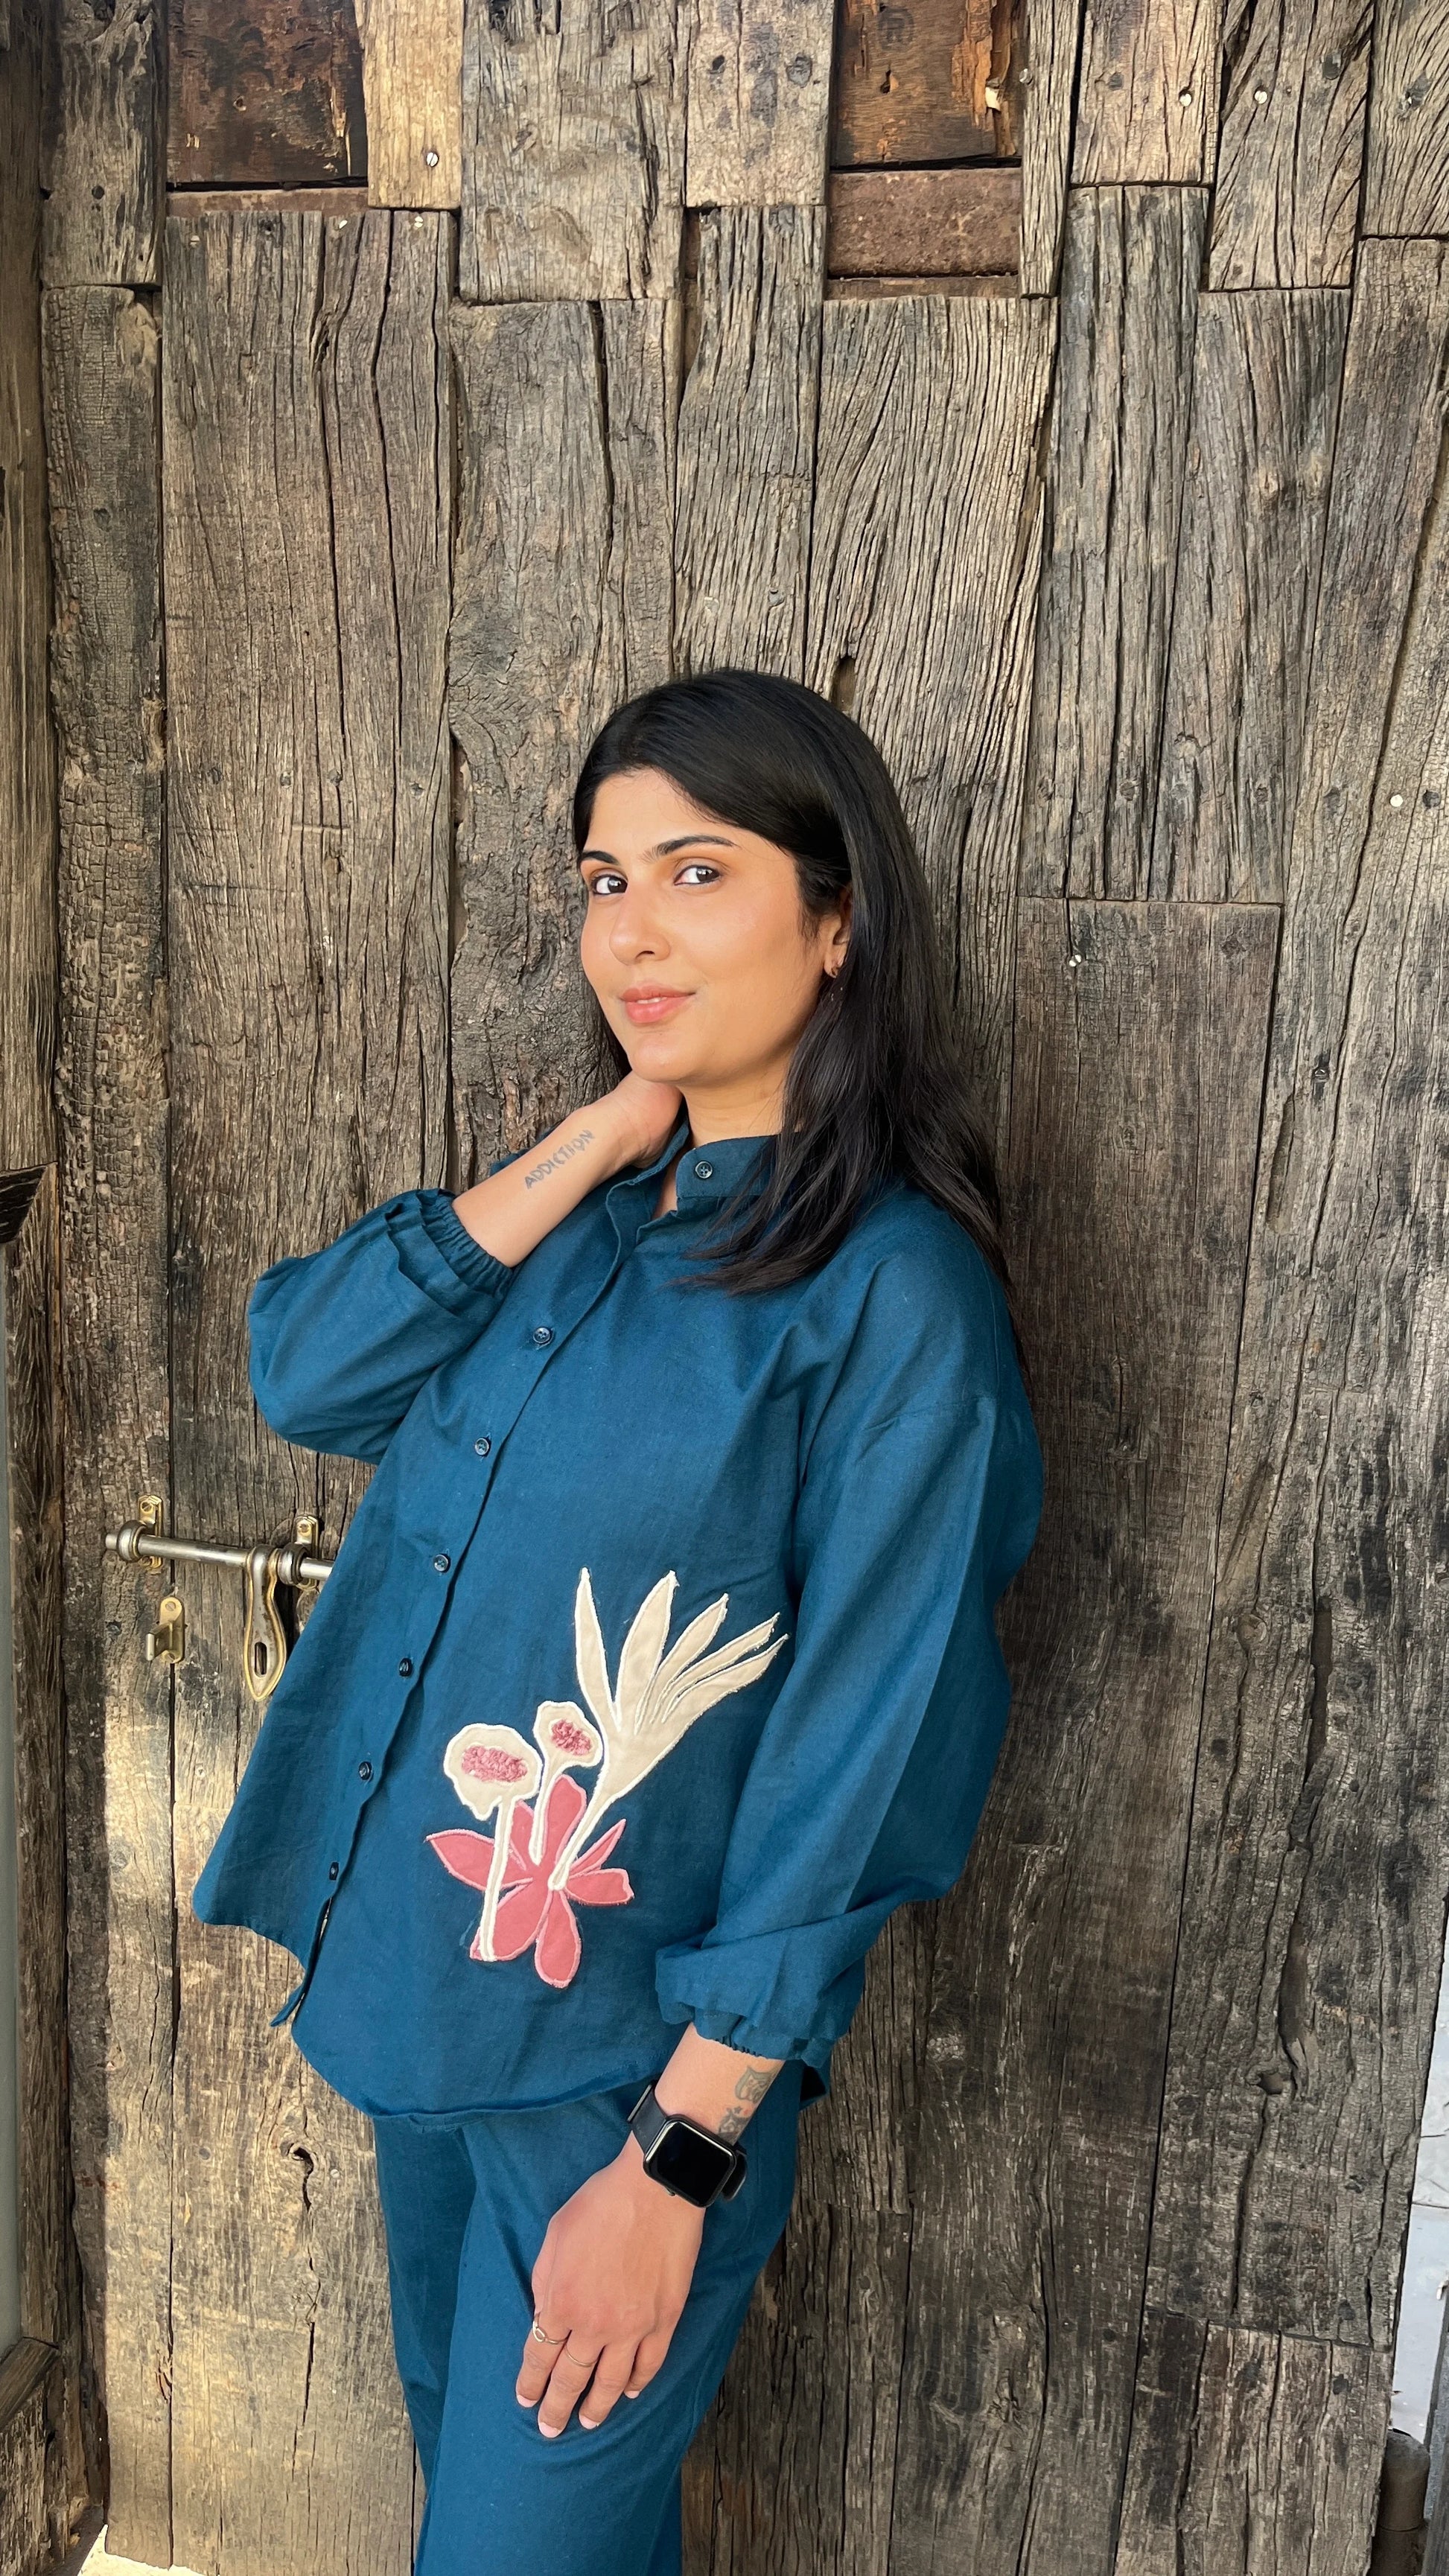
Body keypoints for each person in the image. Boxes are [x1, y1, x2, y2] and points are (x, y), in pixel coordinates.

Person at [191, 669, 1043, 2576]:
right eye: (602, 878)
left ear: (838, 919)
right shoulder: (577, 1224)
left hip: (625, 2079)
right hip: (430, 2000)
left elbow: (871, 1742)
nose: (631, 929)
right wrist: (593, 1142)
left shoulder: (894, 1298)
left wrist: (679, 2156)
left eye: (697, 869)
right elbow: (308, 1373)